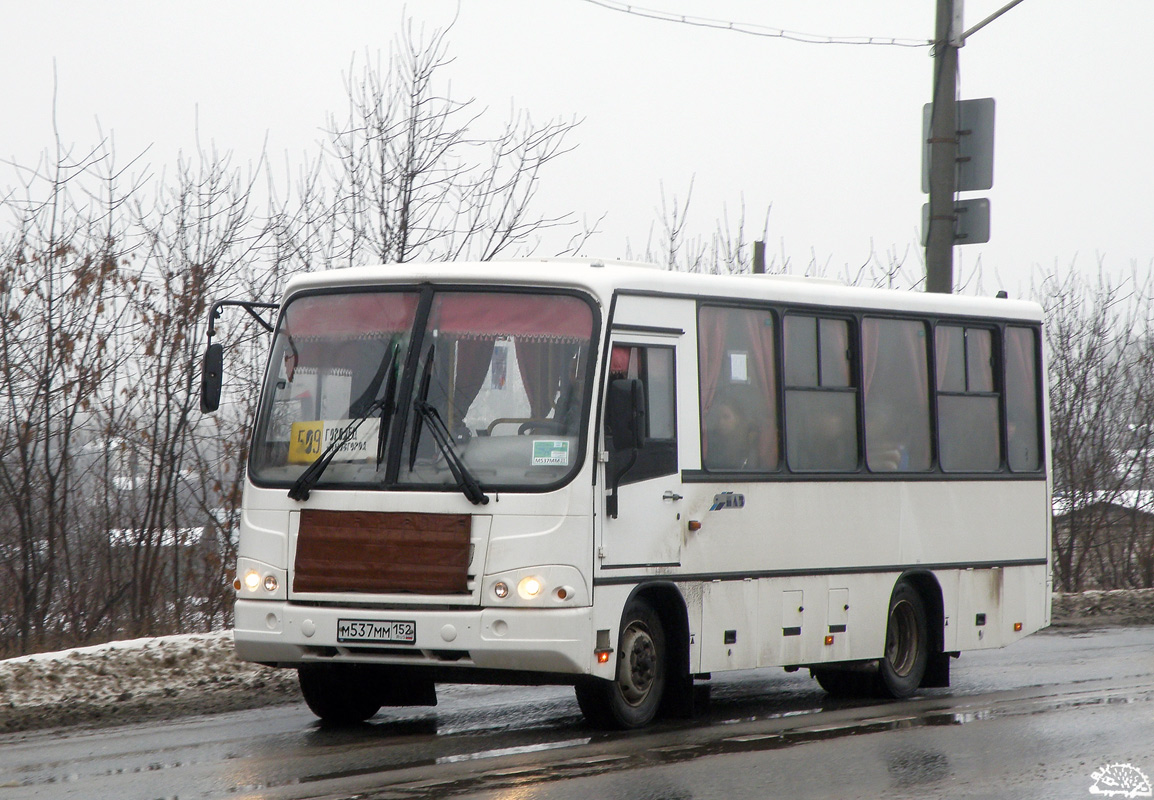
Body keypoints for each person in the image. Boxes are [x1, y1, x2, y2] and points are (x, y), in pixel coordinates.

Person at [705, 392, 760, 470]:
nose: (720, 422)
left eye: (726, 417)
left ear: (737, 419)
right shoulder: (713, 443)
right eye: (718, 417)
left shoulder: (748, 442)